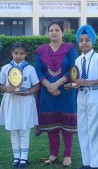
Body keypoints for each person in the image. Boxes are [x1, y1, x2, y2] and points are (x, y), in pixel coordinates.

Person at [34, 21, 78, 167]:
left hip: (66, 91)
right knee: (51, 126)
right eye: (51, 30)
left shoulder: (70, 49)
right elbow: (38, 71)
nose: (53, 32)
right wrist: (49, 86)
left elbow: (73, 69)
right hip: (47, 93)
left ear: (62, 32)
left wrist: (57, 84)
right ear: (48, 33)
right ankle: (53, 154)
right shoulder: (41, 50)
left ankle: (67, 155)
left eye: (57, 30)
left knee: (67, 126)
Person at [0, 42, 40, 168]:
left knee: (24, 129)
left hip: (25, 102)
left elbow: (36, 86)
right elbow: (0, 84)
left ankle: (24, 158)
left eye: (21, 53)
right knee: (13, 129)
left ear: (26, 54)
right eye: (16, 53)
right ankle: (16, 157)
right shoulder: (5, 68)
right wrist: (6, 88)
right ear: (12, 53)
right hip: (11, 101)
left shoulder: (30, 69)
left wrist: (27, 93)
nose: (18, 56)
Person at [74, 25, 98, 169]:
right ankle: (86, 162)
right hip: (81, 95)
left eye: (87, 40)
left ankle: (96, 164)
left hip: (94, 94)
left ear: (93, 41)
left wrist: (87, 82)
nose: (84, 43)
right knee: (82, 128)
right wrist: (73, 84)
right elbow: (76, 79)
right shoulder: (77, 60)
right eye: (81, 40)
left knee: (94, 129)